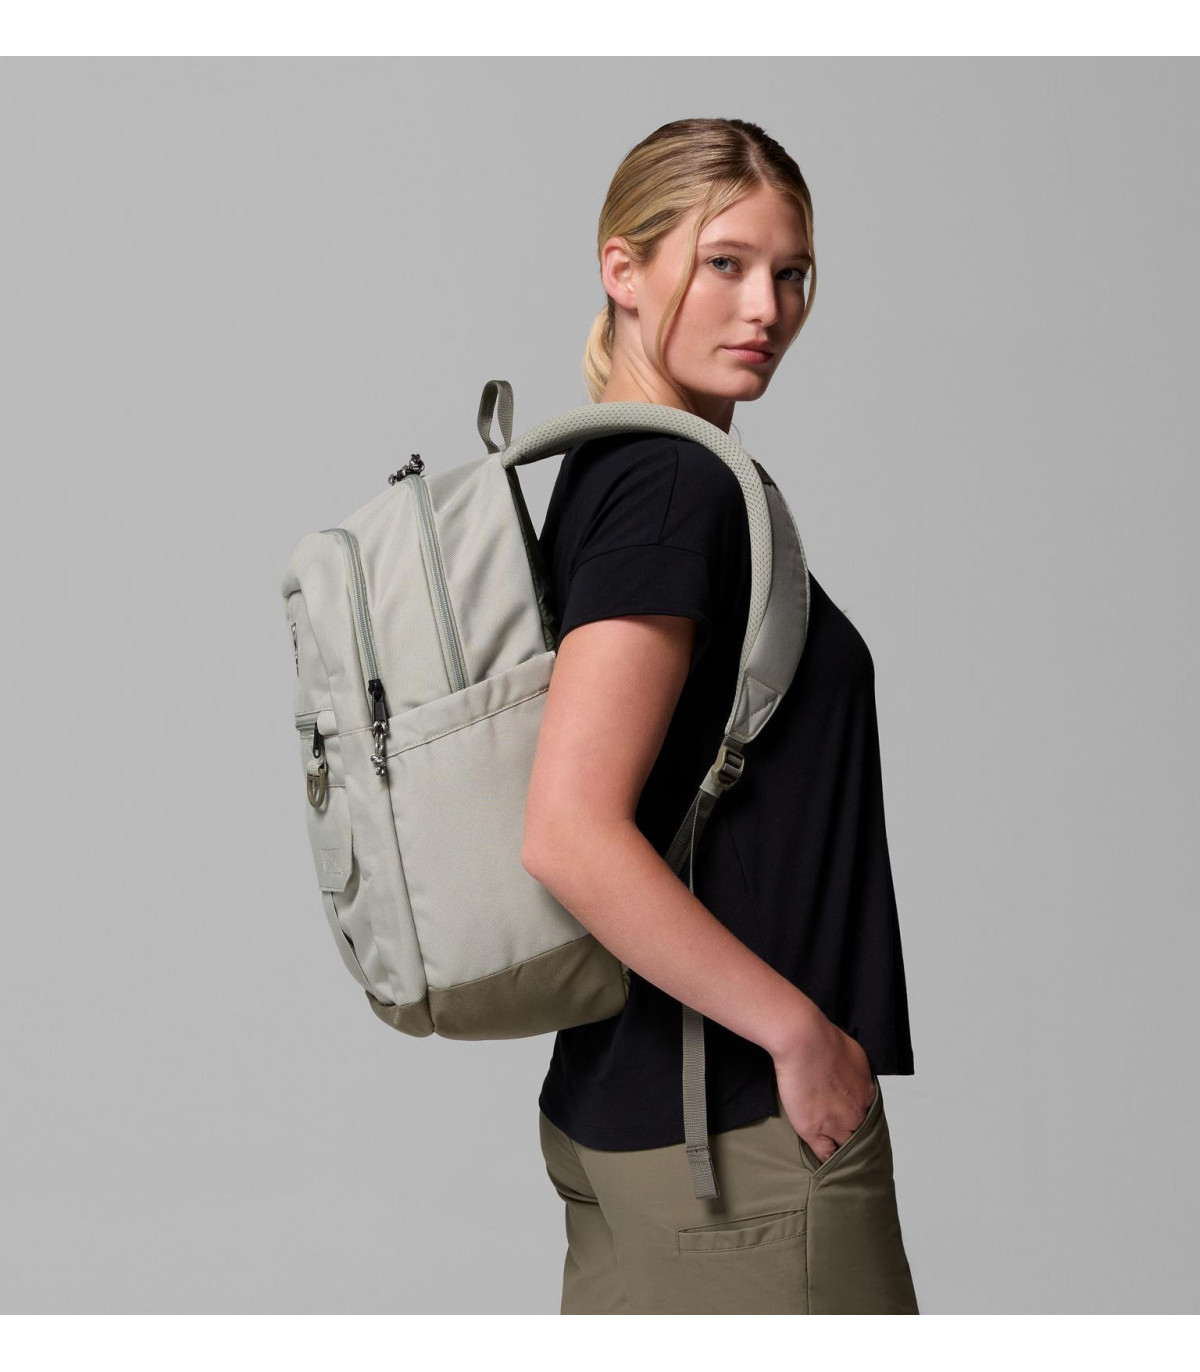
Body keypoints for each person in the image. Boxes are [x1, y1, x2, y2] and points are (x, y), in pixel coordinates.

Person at [522, 117, 919, 1316]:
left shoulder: (618, 468)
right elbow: (570, 831)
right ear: (624, 269)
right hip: (733, 1140)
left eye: (790, 273)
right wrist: (800, 1035)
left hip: (637, 1113)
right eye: (725, 263)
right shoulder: (671, 487)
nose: (766, 309)